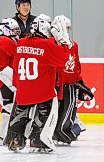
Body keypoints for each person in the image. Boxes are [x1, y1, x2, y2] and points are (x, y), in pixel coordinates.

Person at [6, 14, 72, 153]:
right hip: (42, 90)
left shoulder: (21, 43)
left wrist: (17, 84)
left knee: (20, 112)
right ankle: (39, 140)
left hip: (23, 89)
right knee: (45, 112)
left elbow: (16, 65)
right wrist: (63, 41)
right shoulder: (46, 45)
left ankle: (15, 138)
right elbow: (63, 59)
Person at [52, 15, 93, 145]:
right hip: (56, 84)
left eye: (69, 28)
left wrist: (79, 80)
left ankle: (64, 130)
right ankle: (55, 132)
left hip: (70, 84)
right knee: (55, 109)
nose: (67, 30)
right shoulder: (51, 43)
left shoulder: (74, 44)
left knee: (69, 109)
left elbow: (76, 64)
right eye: (66, 28)